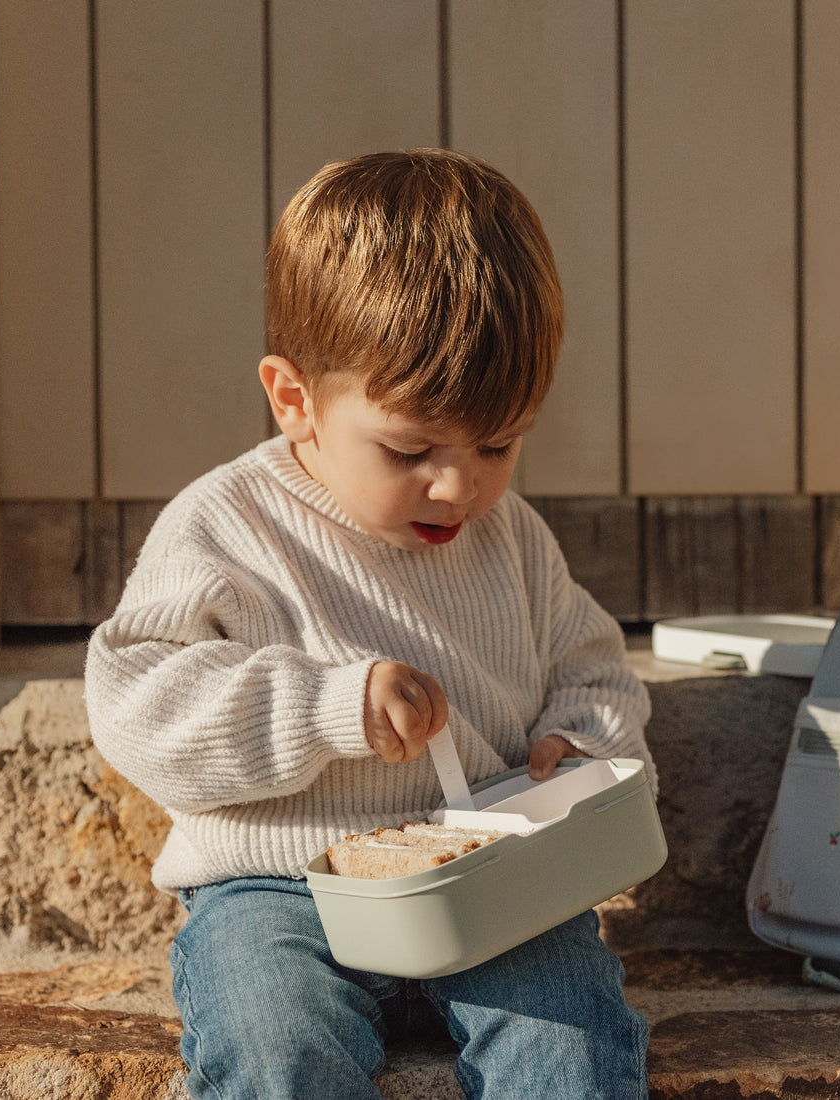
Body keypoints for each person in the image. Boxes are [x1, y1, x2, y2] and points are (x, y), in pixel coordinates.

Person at [85, 148, 656, 1099]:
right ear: (295, 401)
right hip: (282, 888)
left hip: (491, 884)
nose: (458, 485)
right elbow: (138, 706)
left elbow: (592, 666)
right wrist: (323, 707)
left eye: (498, 444)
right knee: (275, 1047)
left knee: (571, 1042)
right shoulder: (224, 526)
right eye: (410, 448)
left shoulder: (511, 537)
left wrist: (582, 744)